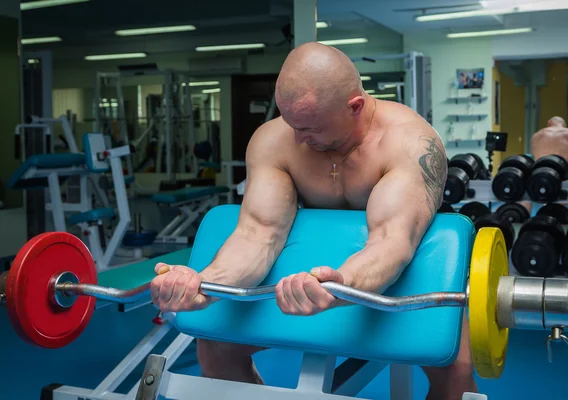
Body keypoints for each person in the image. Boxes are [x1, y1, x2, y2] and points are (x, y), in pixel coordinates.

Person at [150, 42, 473, 399]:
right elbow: (259, 232)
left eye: (310, 127)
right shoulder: (275, 140)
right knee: (215, 347)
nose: (298, 139)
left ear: (355, 107)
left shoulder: (409, 142)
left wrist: (341, 284)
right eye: (291, 124)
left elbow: (391, 241)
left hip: (403, 274)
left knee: (455, 368)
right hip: (308, 275)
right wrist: (204, 285)